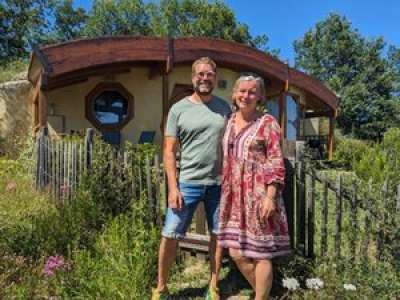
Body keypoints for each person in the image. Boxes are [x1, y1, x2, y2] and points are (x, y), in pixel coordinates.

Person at [152, 57, 231, 300]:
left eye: (209, 74)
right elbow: (168, 151)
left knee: (217, 235)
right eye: (200, 74)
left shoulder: (225, 107)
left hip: (218, 184)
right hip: (187, 184)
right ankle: (161, 288)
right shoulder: (179, 109)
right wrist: (173, 188)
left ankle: (213, 286)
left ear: (215, 78)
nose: (205, 78)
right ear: (193, 78)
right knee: (170, 233)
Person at [218, 75, 291, 300]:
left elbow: (276, 161)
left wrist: (270, 196)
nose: (245, 96)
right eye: (242, 91)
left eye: (251, 92)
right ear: (234, 93)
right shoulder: (229, 120)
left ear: (260, 96)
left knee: (261, 254)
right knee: (236, 252)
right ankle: (266, 294)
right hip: (235, 196)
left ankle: (260, 297)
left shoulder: (267, 123)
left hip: (259, 195)